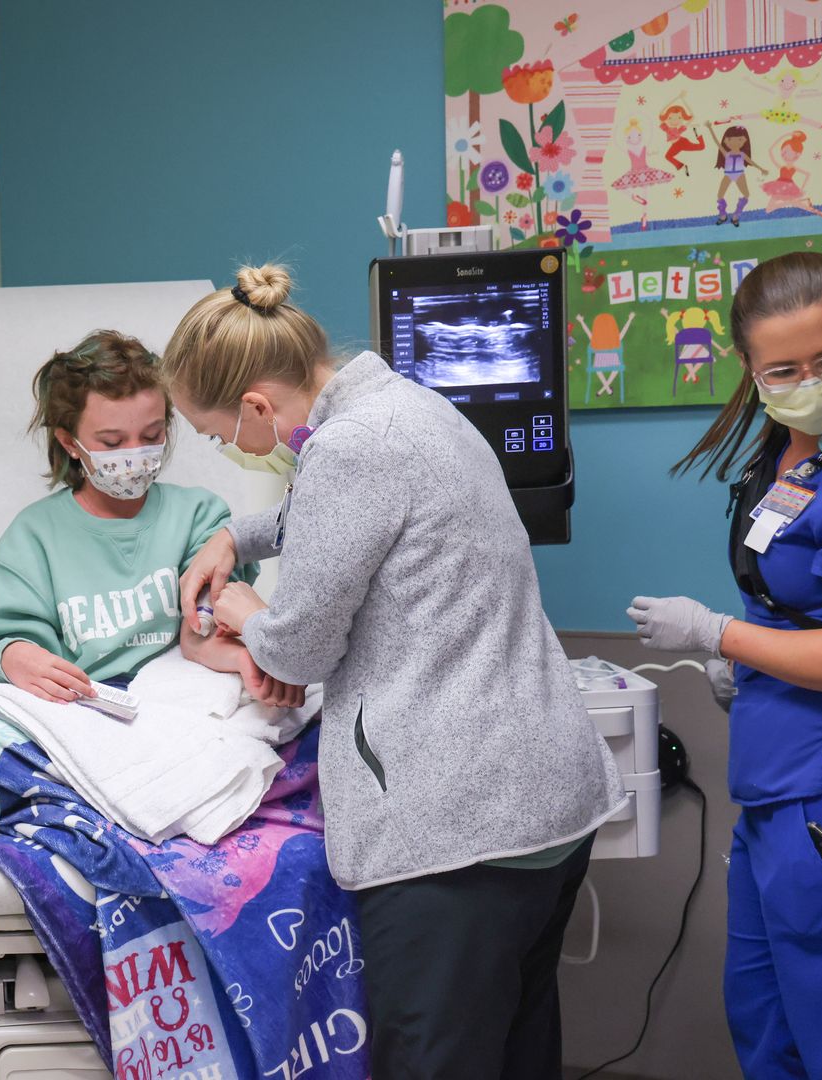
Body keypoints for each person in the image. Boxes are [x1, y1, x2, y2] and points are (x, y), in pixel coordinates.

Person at [163, 264, 626, 1079]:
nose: (228, 448)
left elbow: (298, 650)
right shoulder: (409, 406)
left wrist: (241, 614)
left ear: (258, 408)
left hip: (461, 831)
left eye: (218, 435)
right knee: (518, 1050)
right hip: (548, 796)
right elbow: (338, 514)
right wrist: (236, 535)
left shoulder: (350, 451)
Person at [628, 252, 822, 1080]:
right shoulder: (791, 453)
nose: (812, 381)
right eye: (785, 369)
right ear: (751, 369)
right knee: (763, 1014)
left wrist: (720, 636)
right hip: (779, 784)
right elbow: (799, 600)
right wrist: (758, 661)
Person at [0, 329, 302, 707]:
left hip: (185, 695)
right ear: (69, 443)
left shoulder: (199, 517)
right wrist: (14, 656)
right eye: (112, 443)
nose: (134, 454)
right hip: (86, 706)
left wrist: (245, 658)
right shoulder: (32, 539)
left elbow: (203, 634)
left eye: (151, 434)